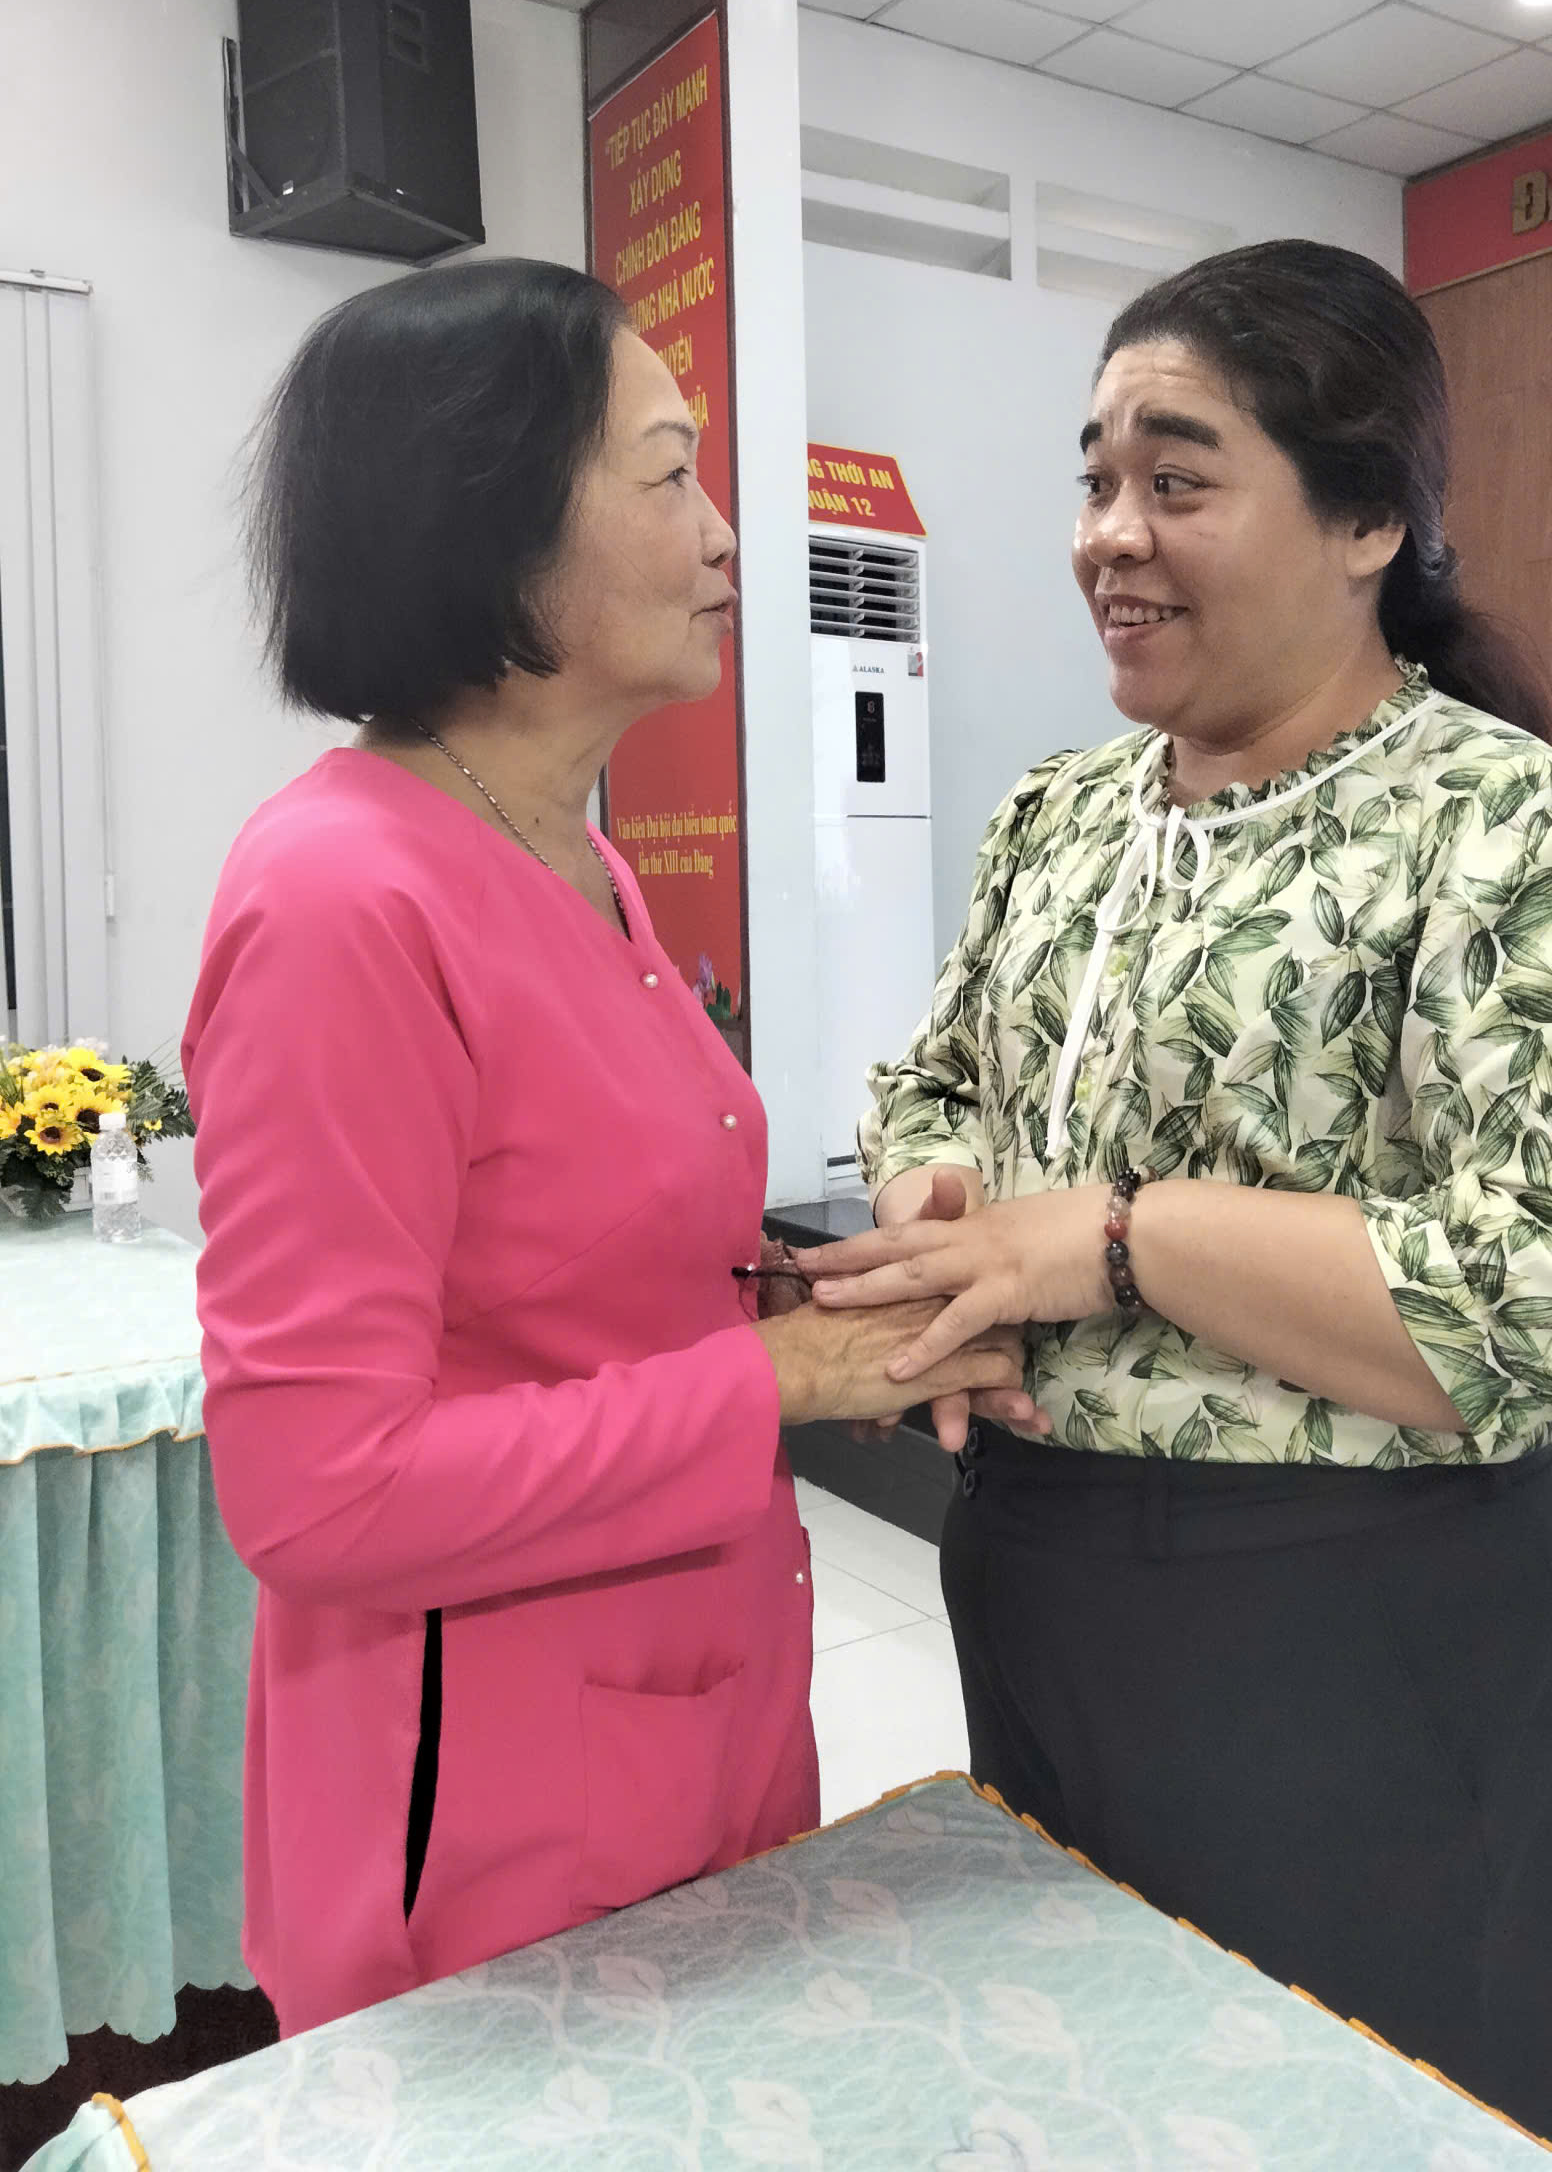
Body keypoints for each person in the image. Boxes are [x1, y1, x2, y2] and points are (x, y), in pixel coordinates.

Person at [793, 240, 1552, 2147]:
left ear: (1370, 519)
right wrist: (945, 1198)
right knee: (1092, 2098)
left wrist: (1119, 1239)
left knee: (1357, 2113)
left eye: (1179, 478)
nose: (1109, 536)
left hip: (1363, 1628)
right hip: (1045, 1574)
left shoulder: (1511, 824)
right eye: (1094, 480)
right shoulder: (1064, 815)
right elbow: (942, 1070)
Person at [183, 260, 1029, 2036]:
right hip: (485, 1804)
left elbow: (566, 1268)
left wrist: (805, 1307)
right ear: (489, 521)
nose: (723, 536)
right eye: (669, 474)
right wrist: (773, 1381)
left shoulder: (575, 854)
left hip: (686, 1699)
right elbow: (318, 1490)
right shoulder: (344, 899)